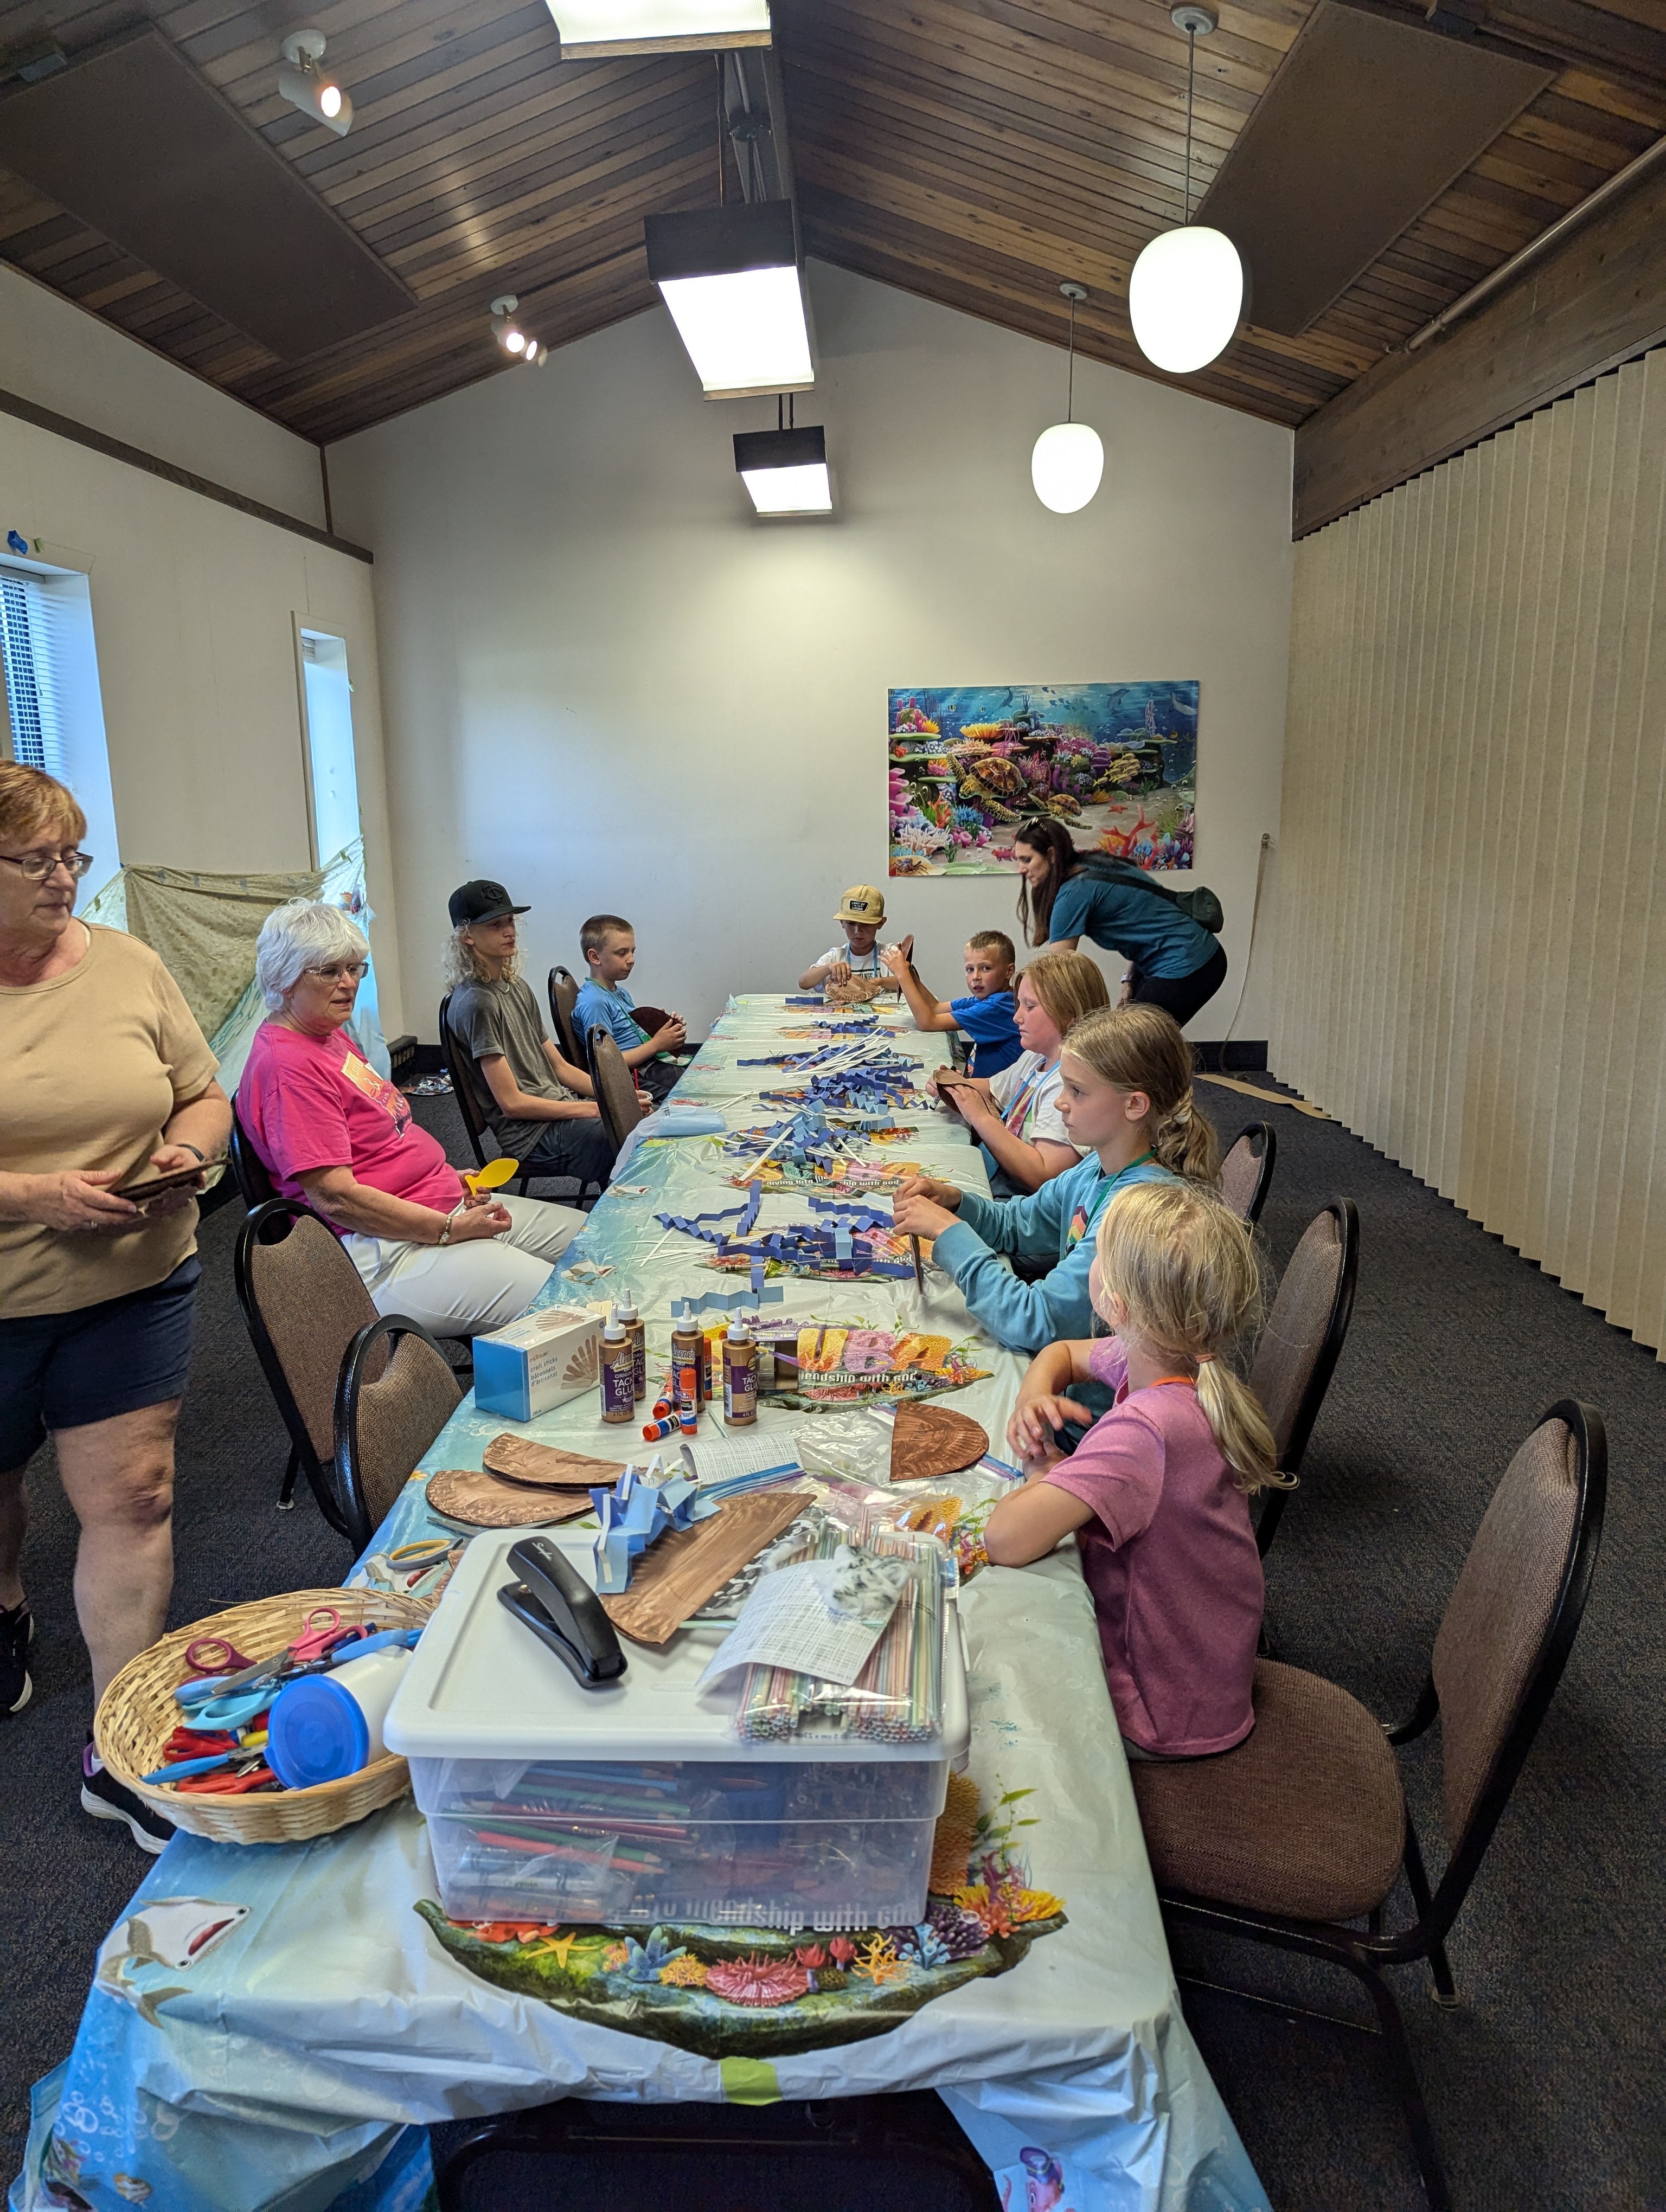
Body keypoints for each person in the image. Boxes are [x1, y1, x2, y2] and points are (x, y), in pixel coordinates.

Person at [0, 763, 230, 1851]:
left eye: (72, 856)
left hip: (131, 1285)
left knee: (133, 1500)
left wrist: (191, 1147)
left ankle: (119, 1743)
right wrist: (34, 1195)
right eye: (37, 860)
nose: (64, 879)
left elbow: (203, 1088)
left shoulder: (129, 963)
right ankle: (8, 1610)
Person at [986, 1179, 1283, 1761]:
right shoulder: (1175, 1361)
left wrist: (1045, 1469)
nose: (1089, 1262)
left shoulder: (1144, 1433)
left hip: (1161, 1711)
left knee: (986, 1670)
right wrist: (1033, 1396)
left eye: (1098, 1256)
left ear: (1116, 1304)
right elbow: (1063, 1354)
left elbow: (1006, 1538)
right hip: (1204, 1673)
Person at [239, 901, 584, 1337]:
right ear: (284, 979)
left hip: (433, 1208)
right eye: (329, 972)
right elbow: (337, 1200)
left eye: (354, 968)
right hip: (386, 1253)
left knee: (600, 1245)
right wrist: (449, 1229)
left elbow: (382, 1138)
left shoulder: (328, 1036)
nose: (347, 984)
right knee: (574, 1305)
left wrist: (441, 1179)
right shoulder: (288, 1069)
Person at [891, 1004, 1215, 1426]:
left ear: (1135, 1105)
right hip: (1071, 1388)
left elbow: (1034, 1321)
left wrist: (950, 1233)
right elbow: (1020, 1224)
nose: (1061, 1103)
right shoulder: (1100, 1164)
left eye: (1077, 1092)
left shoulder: (1139, 1214)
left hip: (1096, 1422)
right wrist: (957, 1203)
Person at [443, 880, 613, 1191]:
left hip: (556, 1112)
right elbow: (513, 1105)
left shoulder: (517, 986)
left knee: (634, 1121)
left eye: (510, 921)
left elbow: (560, 1069)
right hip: (530, 1136)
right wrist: (594, 1108)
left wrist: (614, 1096)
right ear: (466, 935)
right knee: (623, 1136)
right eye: (496, 925)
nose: (510, 931)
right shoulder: (477, 1003)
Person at [1013, 816, 1227, 1028]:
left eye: (1027, 860)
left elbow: (1057, 975)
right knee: (1137, 1046)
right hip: (1197, 955)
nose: (1021, 869)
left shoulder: (1074, 892)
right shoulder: (1095, 863)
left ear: (1051, 855)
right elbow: (1143, 925)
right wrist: (1129, 981)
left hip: (1189, 963)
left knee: (1134, 1048)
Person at [930, 949, 1108, 1198]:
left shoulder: (1069, 1085)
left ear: (1069, 1015)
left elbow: (1042, 1177)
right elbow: (992, 1088)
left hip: (1018, 1203)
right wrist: (954, 1085)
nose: (1017, 1017)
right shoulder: (1037, 1057)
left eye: (1030, 1007)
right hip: (998, 1180)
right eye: (1019, 1005)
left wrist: (981, 1118)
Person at [573, 914, 690, 1105]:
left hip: (648, 1065)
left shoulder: (620, 993)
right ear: (595, 957)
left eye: (633, 952)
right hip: (634, 1077)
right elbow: (606, 1065)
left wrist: (658, 1028)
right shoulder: (594, 1001)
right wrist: (657, 1045)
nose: (631, 960)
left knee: (701, 1075)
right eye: (622, 953)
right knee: (694, 1093)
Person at [881, 929, 1022, 1077]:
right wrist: (909, 973)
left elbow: (928, 1023)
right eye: (970, 969)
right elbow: (936, 1008)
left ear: (1009, 971)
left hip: (996, 1096)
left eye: (986, 968)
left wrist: (902, 975)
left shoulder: (997, 1006)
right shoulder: (991, 998)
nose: (976, 977)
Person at [798, 885, 905, 990]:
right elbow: (803, 983)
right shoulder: (836, 957)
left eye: (866, 924)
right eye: (851, 923)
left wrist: (881, 982)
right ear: (842, 923)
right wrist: (828, 968)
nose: (857, 931)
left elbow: (910, 985)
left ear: (880, 923)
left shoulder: (890, 954)